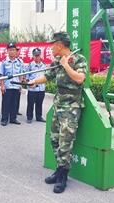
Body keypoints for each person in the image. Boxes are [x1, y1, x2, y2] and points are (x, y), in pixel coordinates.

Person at [28, 32, 86, 193]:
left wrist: (66, 65)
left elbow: (80, 79)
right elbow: (47, 76)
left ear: (60, 45)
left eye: (53, 45)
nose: (51, 48)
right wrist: (33, 82)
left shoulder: (78, 59)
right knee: (54, 139)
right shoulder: (56, 61)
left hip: (71, 108)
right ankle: (59, 169)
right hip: (58, 106)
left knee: (65, 143)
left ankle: (63, 177)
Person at [0, 42, 24, 126]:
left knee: (14, 103)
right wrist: (2, 85)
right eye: (10, 50)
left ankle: (13, 118)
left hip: (16, 86)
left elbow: (21, 74)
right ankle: (4, 119)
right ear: (7, 51)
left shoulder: (19, 62)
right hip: (7, 86)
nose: (12, 51)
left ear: (16, 51)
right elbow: (1, 75)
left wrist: (20, 85)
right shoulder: (4, 62)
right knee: (6, 103)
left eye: (13, 50)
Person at [26, 48, 46, 123]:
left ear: (40, 55)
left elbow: (46, 76)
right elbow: (27, 77)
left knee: (39, 103)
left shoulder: (44, 65)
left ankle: (39, 116)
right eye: (35, 55)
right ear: (33, 56)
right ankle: (29, 117)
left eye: (38, 55)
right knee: (30, 104)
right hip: (32, 89)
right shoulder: (30, 65)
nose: (37, 57)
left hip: (41, 88)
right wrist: (29, 84)